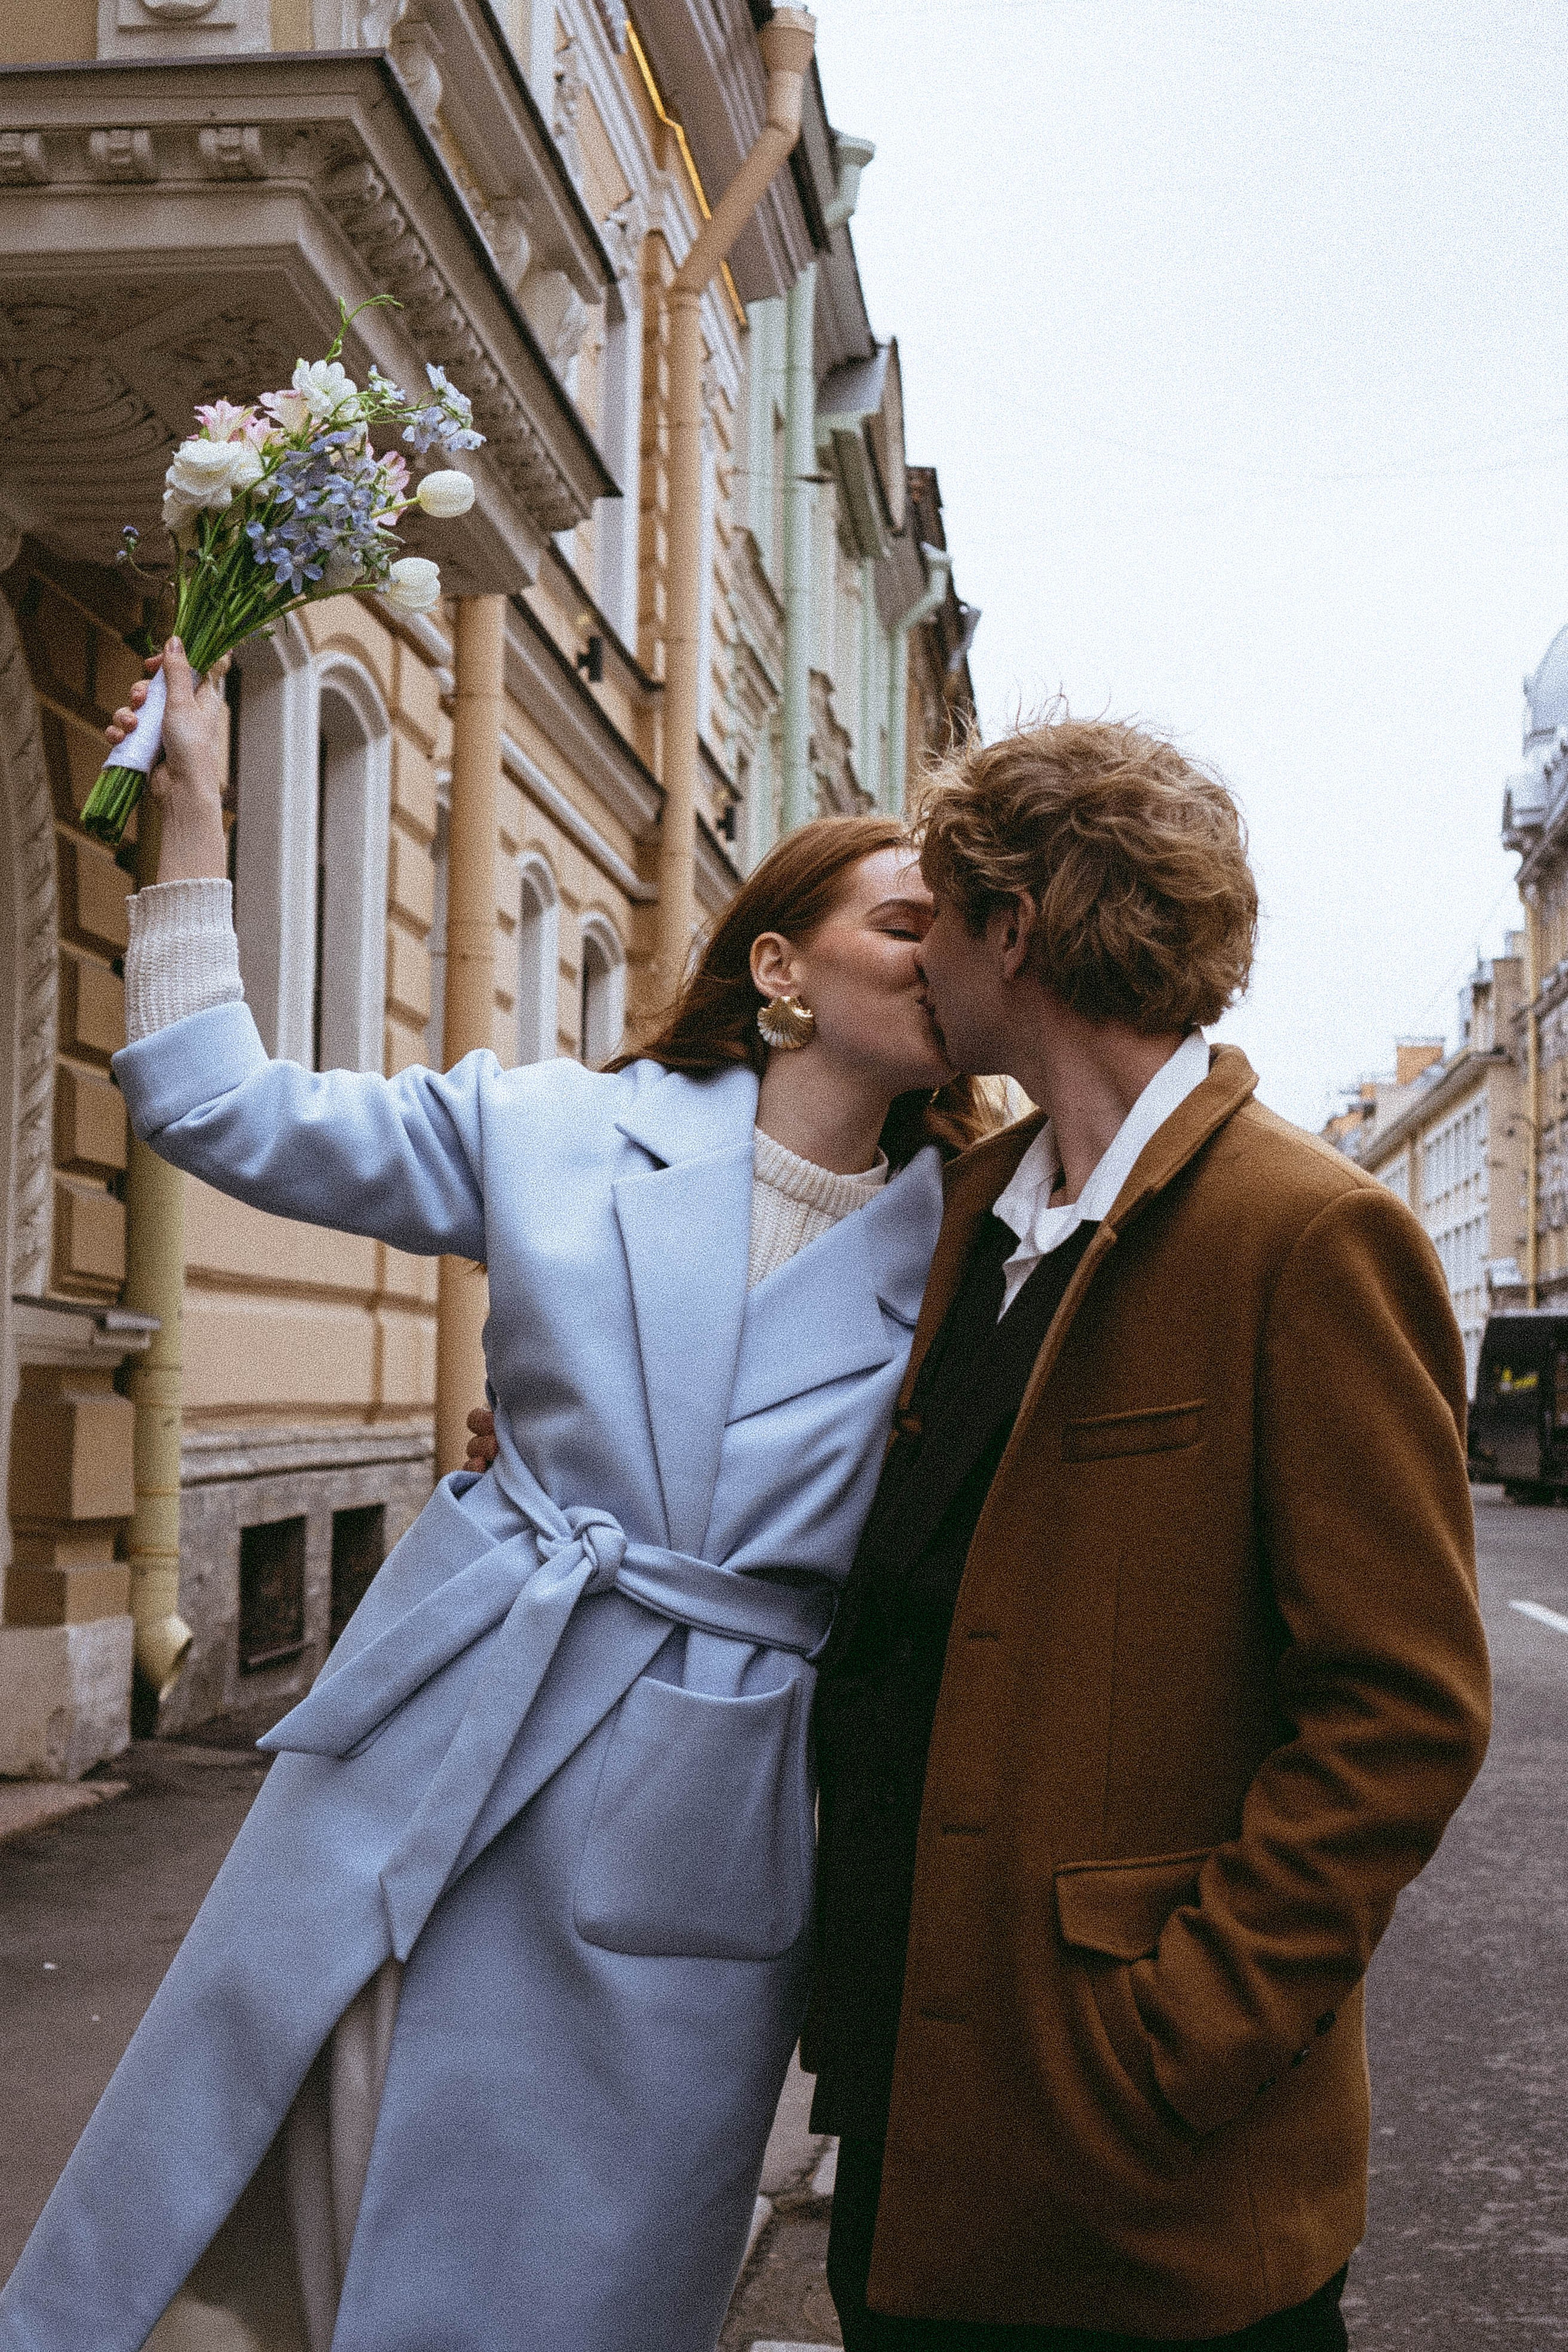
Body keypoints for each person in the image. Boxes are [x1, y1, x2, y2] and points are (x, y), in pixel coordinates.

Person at [0, 641, 991, 2352]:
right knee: (281, 2168)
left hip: (702, 1797)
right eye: (906, 917)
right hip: (444, 1717)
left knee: (573, 2262)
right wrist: (194, 815)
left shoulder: (980, 1256)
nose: (944, 949)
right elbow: (219, 1108)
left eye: (966, 930)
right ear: (783, 964)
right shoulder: (552, 1129)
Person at [796, 717, 1492, 2348]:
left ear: (1015, 931)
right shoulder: (971, 1214)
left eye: (940, 917)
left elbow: (1401, 1719)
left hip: (1150, 2201)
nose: (923, 967)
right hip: (915, 2130)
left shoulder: (1309, 1234)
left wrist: (1177, 2044)